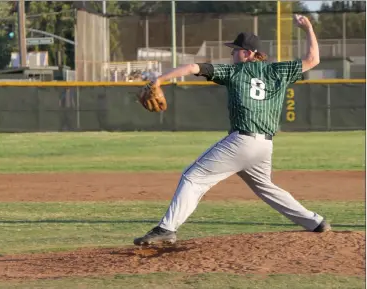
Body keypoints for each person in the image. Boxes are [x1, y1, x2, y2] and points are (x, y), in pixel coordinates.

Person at [134, 15, 331, 246]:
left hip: (242, 141)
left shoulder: (234, 72)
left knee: (193, 177)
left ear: (247, 53)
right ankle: (314, 222)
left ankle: (166, 228)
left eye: (235, 50)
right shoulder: (279, 71)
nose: (232, 54)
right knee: (266, 188)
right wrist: (308, 27)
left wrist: (159, 80)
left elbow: (193, 67)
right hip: (264, 146)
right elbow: (313, 59)